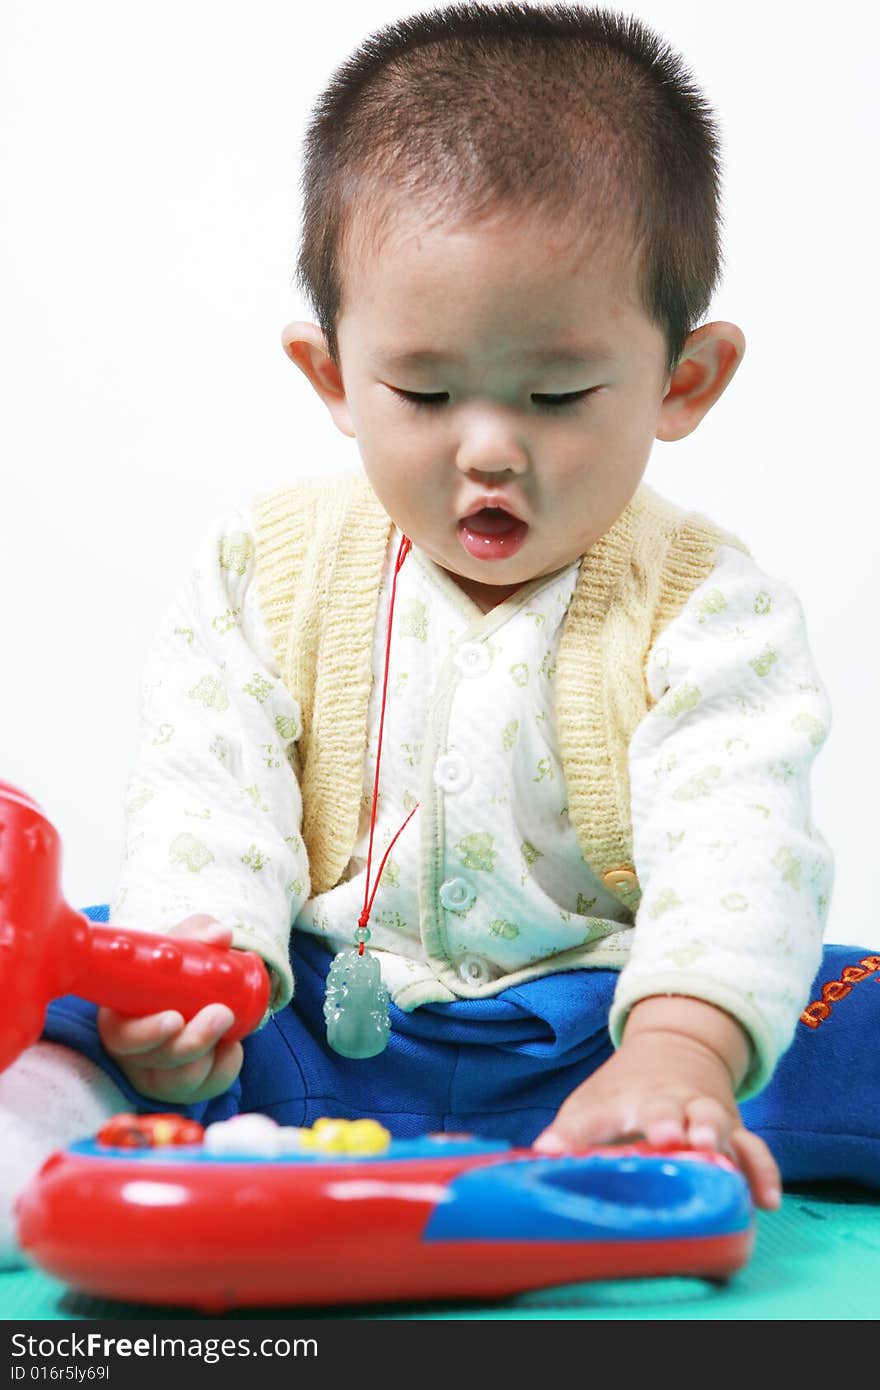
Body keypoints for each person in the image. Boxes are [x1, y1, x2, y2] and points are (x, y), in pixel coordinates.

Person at [2, 1, 877, 1269]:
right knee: (80, 994)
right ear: (331, 377)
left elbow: (735, 840)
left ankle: (664, 1122)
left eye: (558, 393)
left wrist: (680, 1048)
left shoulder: (709, 605)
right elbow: (210, 797)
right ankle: (47, 1134)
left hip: (599, 1039)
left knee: (825, 1002)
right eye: (423, 390)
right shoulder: (261, 568)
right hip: (294, 1030)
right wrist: (190, 979)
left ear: (682, 380)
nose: (487, 446)